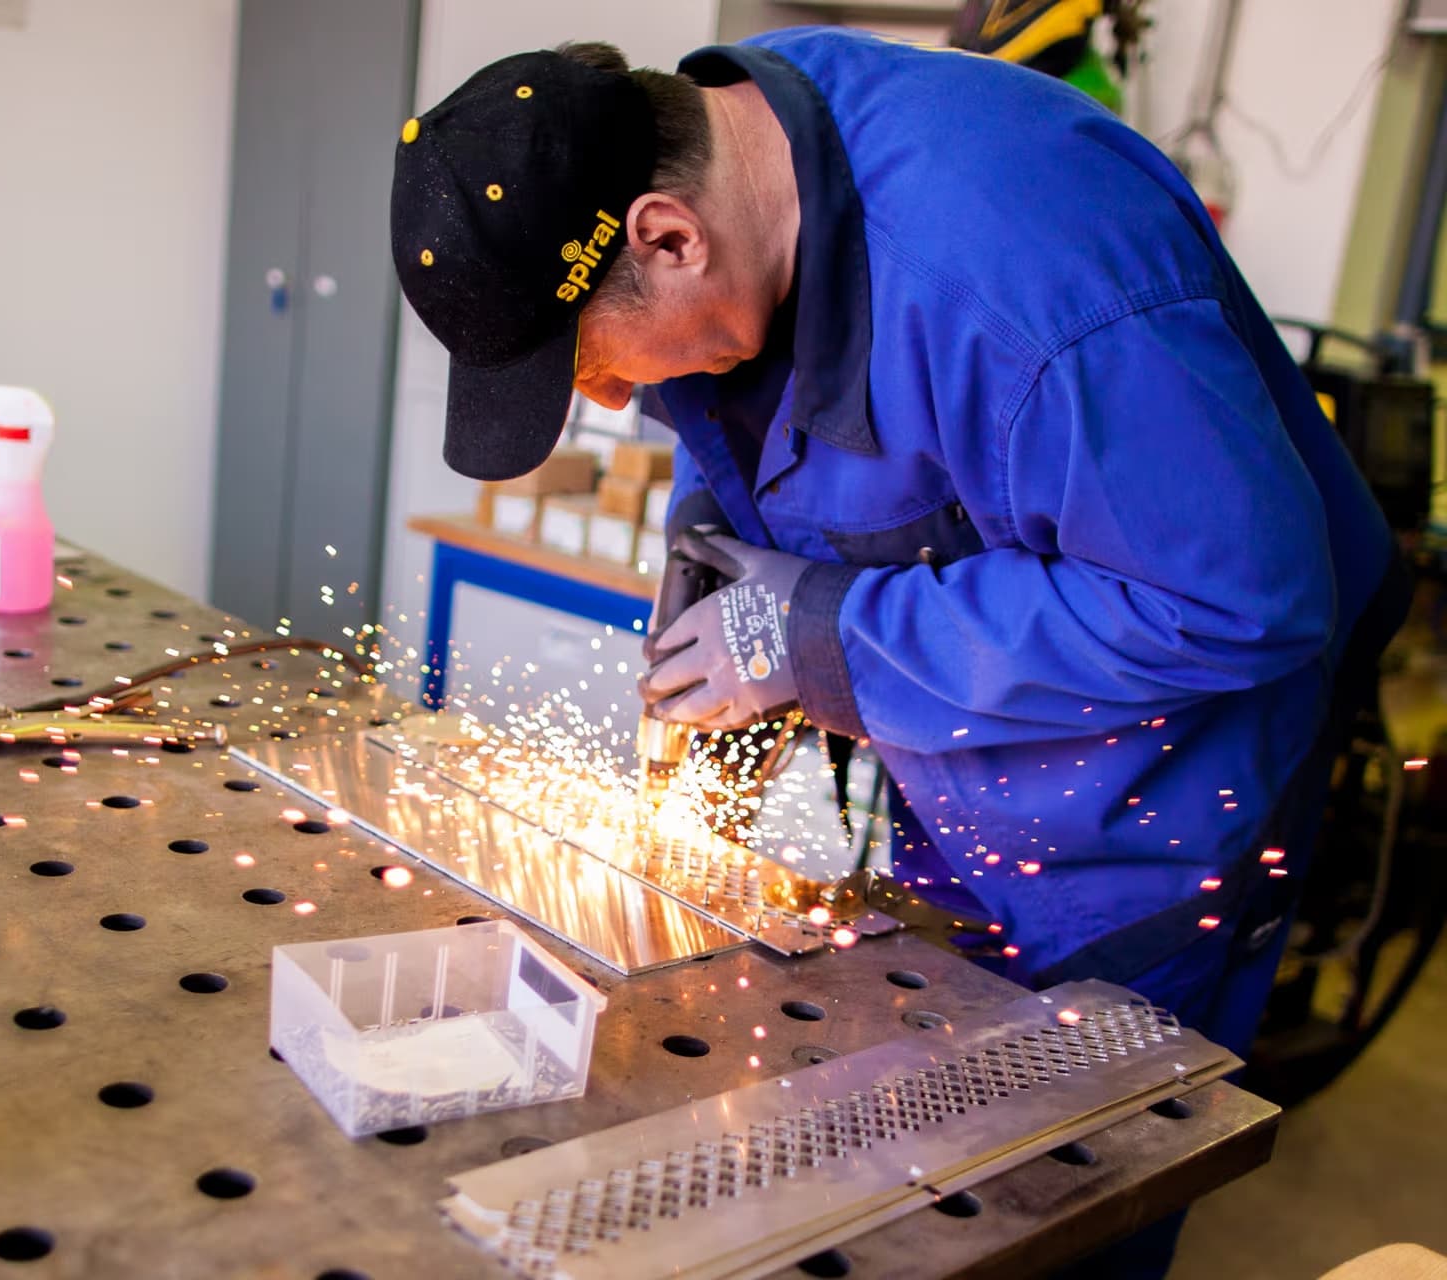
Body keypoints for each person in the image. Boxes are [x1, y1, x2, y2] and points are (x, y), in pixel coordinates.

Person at [388, 29, 1407, 1267]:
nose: (607, 402)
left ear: (665, 237)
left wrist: (820, 640)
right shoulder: (736, 148)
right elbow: (758, 425)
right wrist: (725, 580)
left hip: (1149, 821)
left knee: (1048, 1215)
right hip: (968, 766)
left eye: (597, 368)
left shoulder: (1022, 282)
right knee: (912, 1151)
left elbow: (1237, 597)